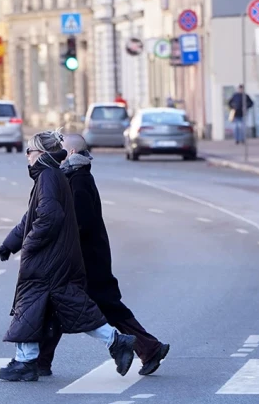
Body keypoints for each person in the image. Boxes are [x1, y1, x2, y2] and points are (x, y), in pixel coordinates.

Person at [0, 130, 136, 382]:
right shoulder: (49, 175)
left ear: (41, 154)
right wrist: (10, 243)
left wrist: (30, 244)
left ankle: (26, 362)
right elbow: (32, 217)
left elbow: (49, 216)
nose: (26, 156)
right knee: (69, 307)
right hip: (56, 257)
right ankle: (116, 341)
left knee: (29, 303)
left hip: (48, 259)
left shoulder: (48, 176)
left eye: (30, 151)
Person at [38, 134, 170, 377]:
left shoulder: (78, 180)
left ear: (70, 154)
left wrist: (58, 241)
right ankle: (41, 361)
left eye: (61, 150)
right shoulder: (75, 177)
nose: (56, 154)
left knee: (69, 304)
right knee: (65, 306)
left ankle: (149, 348)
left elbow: (81, 224)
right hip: (87, 257)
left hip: (87, 259)